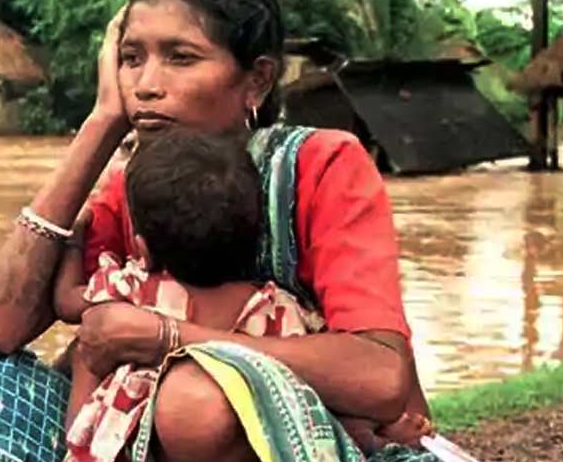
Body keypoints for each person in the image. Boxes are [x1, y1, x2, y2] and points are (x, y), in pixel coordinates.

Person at [0, 0, 436, 462]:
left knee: (192, 401)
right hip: (142, 433)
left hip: (296, 438)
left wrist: (169, 338)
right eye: (132, 59)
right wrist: (102, 122)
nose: (146, 85)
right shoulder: (134, 183)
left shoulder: (320, 167)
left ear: (257, 80)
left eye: (181, 58)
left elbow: (382, 378)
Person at [57, 129, 432, 462]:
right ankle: (370, 443)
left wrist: (74, 242)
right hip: (237, 438)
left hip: (130, 437)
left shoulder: (131, 288)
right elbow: (329, 395)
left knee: (87, 354)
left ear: (142, 248)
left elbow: (67, 302)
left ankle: (79, 447)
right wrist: (374, 431)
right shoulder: (276, 310)